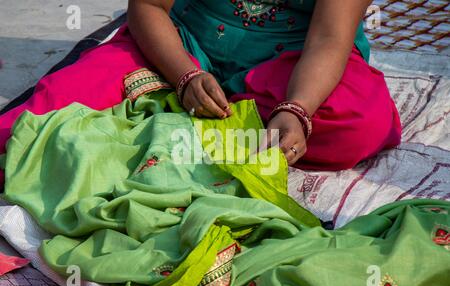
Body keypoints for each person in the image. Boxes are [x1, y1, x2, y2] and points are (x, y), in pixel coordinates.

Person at [0, 0, 402, 191]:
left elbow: (329, 38)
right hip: (182, 44)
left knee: (359, 122)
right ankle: (194, 118)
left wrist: (297, 109)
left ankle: (155, 125)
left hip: (293, 63)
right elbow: (149, 6)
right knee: (63, 99)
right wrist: (185, 75)